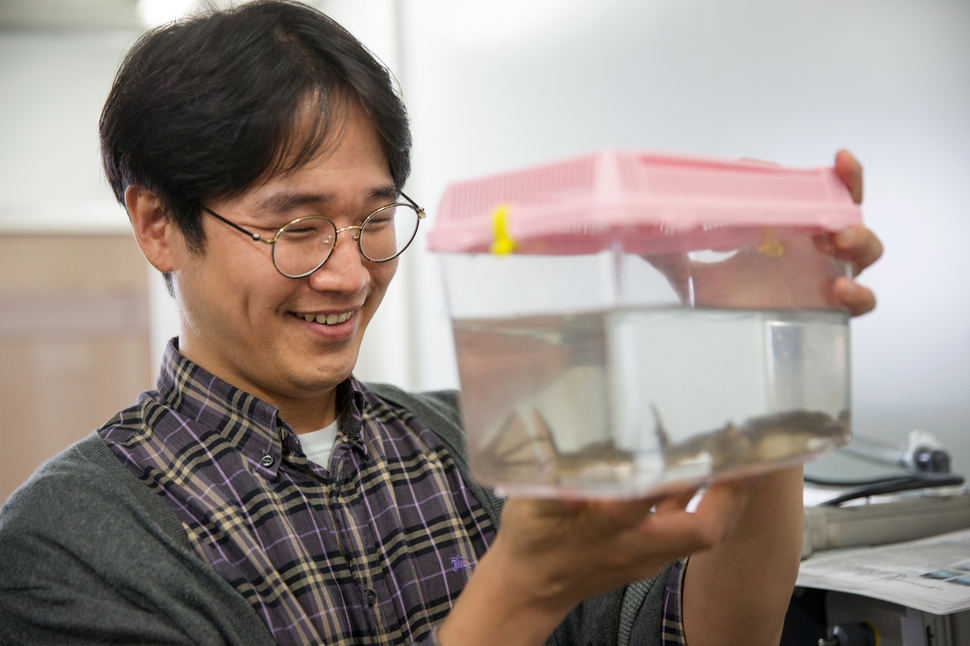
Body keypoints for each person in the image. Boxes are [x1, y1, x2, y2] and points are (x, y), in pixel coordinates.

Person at [0, 2, 883, 645]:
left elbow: (710, 633)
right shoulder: (66, 546)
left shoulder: (479, 435)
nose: (348, 273)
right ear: (158, 224)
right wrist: (519, 593)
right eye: (296, 228)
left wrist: (767, 359)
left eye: (375, 219)